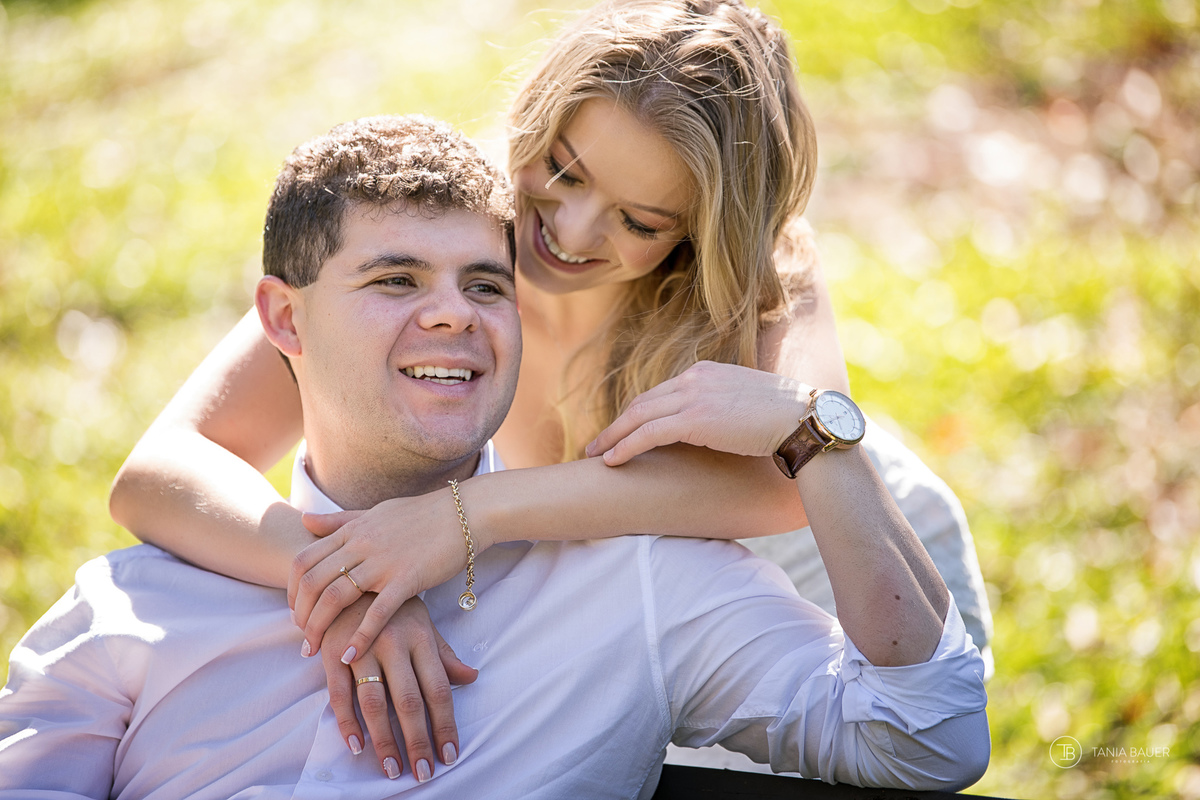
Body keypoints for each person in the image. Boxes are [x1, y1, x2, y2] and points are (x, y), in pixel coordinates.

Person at [108, 0, 991, 771]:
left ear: (701, 233)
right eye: (564, 171)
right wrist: (340, 582)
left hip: (815, 573)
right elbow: (161, 469)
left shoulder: (762, 284)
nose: (566, 231)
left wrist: (469, 519)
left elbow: (787, 480)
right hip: (585, 607)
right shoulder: (455, 234)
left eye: (640, 221)